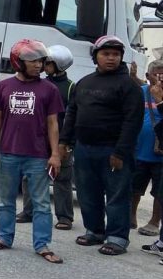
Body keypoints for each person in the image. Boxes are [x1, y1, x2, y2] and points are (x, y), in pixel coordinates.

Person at [59, 35, 143, 256]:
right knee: (88, 192)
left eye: (116, 55)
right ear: (96, 56)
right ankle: (94, 231)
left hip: (113, 151)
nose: (111, 58)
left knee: (116, 195)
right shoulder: (84, 83)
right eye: (106, 54)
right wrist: (64, 141)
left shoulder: (128, 86)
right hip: (84, 148)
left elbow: (132, 121)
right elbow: (72, 113)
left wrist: (120, 152)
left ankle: (117, 237)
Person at [0, 39, 64, 264]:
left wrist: (55, 154)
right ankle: (4, 238)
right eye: (32, 61)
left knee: (41, 203)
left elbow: (52, 124)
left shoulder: (50, 89)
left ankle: (42, 245)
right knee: (5, 201)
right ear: (19, 62)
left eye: (40, 61)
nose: (38, 65)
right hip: (8, 153)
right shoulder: (3, 87)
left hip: (38, 156)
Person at [16, 44, 76, 230]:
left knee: (62, 178)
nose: (42, 65)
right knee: (29, 176)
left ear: (58, 65)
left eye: (47, 62)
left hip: (59, 141)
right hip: (38, 140)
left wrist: (65, 143)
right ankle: (29, 211)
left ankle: (64, 217)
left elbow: (72, 117)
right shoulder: (39, 83)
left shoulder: (70, 88)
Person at [131, 60, 163, 236]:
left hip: (160, 155)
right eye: (157, 74)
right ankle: (131, 216)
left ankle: (154, 222)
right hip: (139, 151)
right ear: (148, 76)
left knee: (159, 191)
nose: (160, 77)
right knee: (134, 187)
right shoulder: (140, 93)